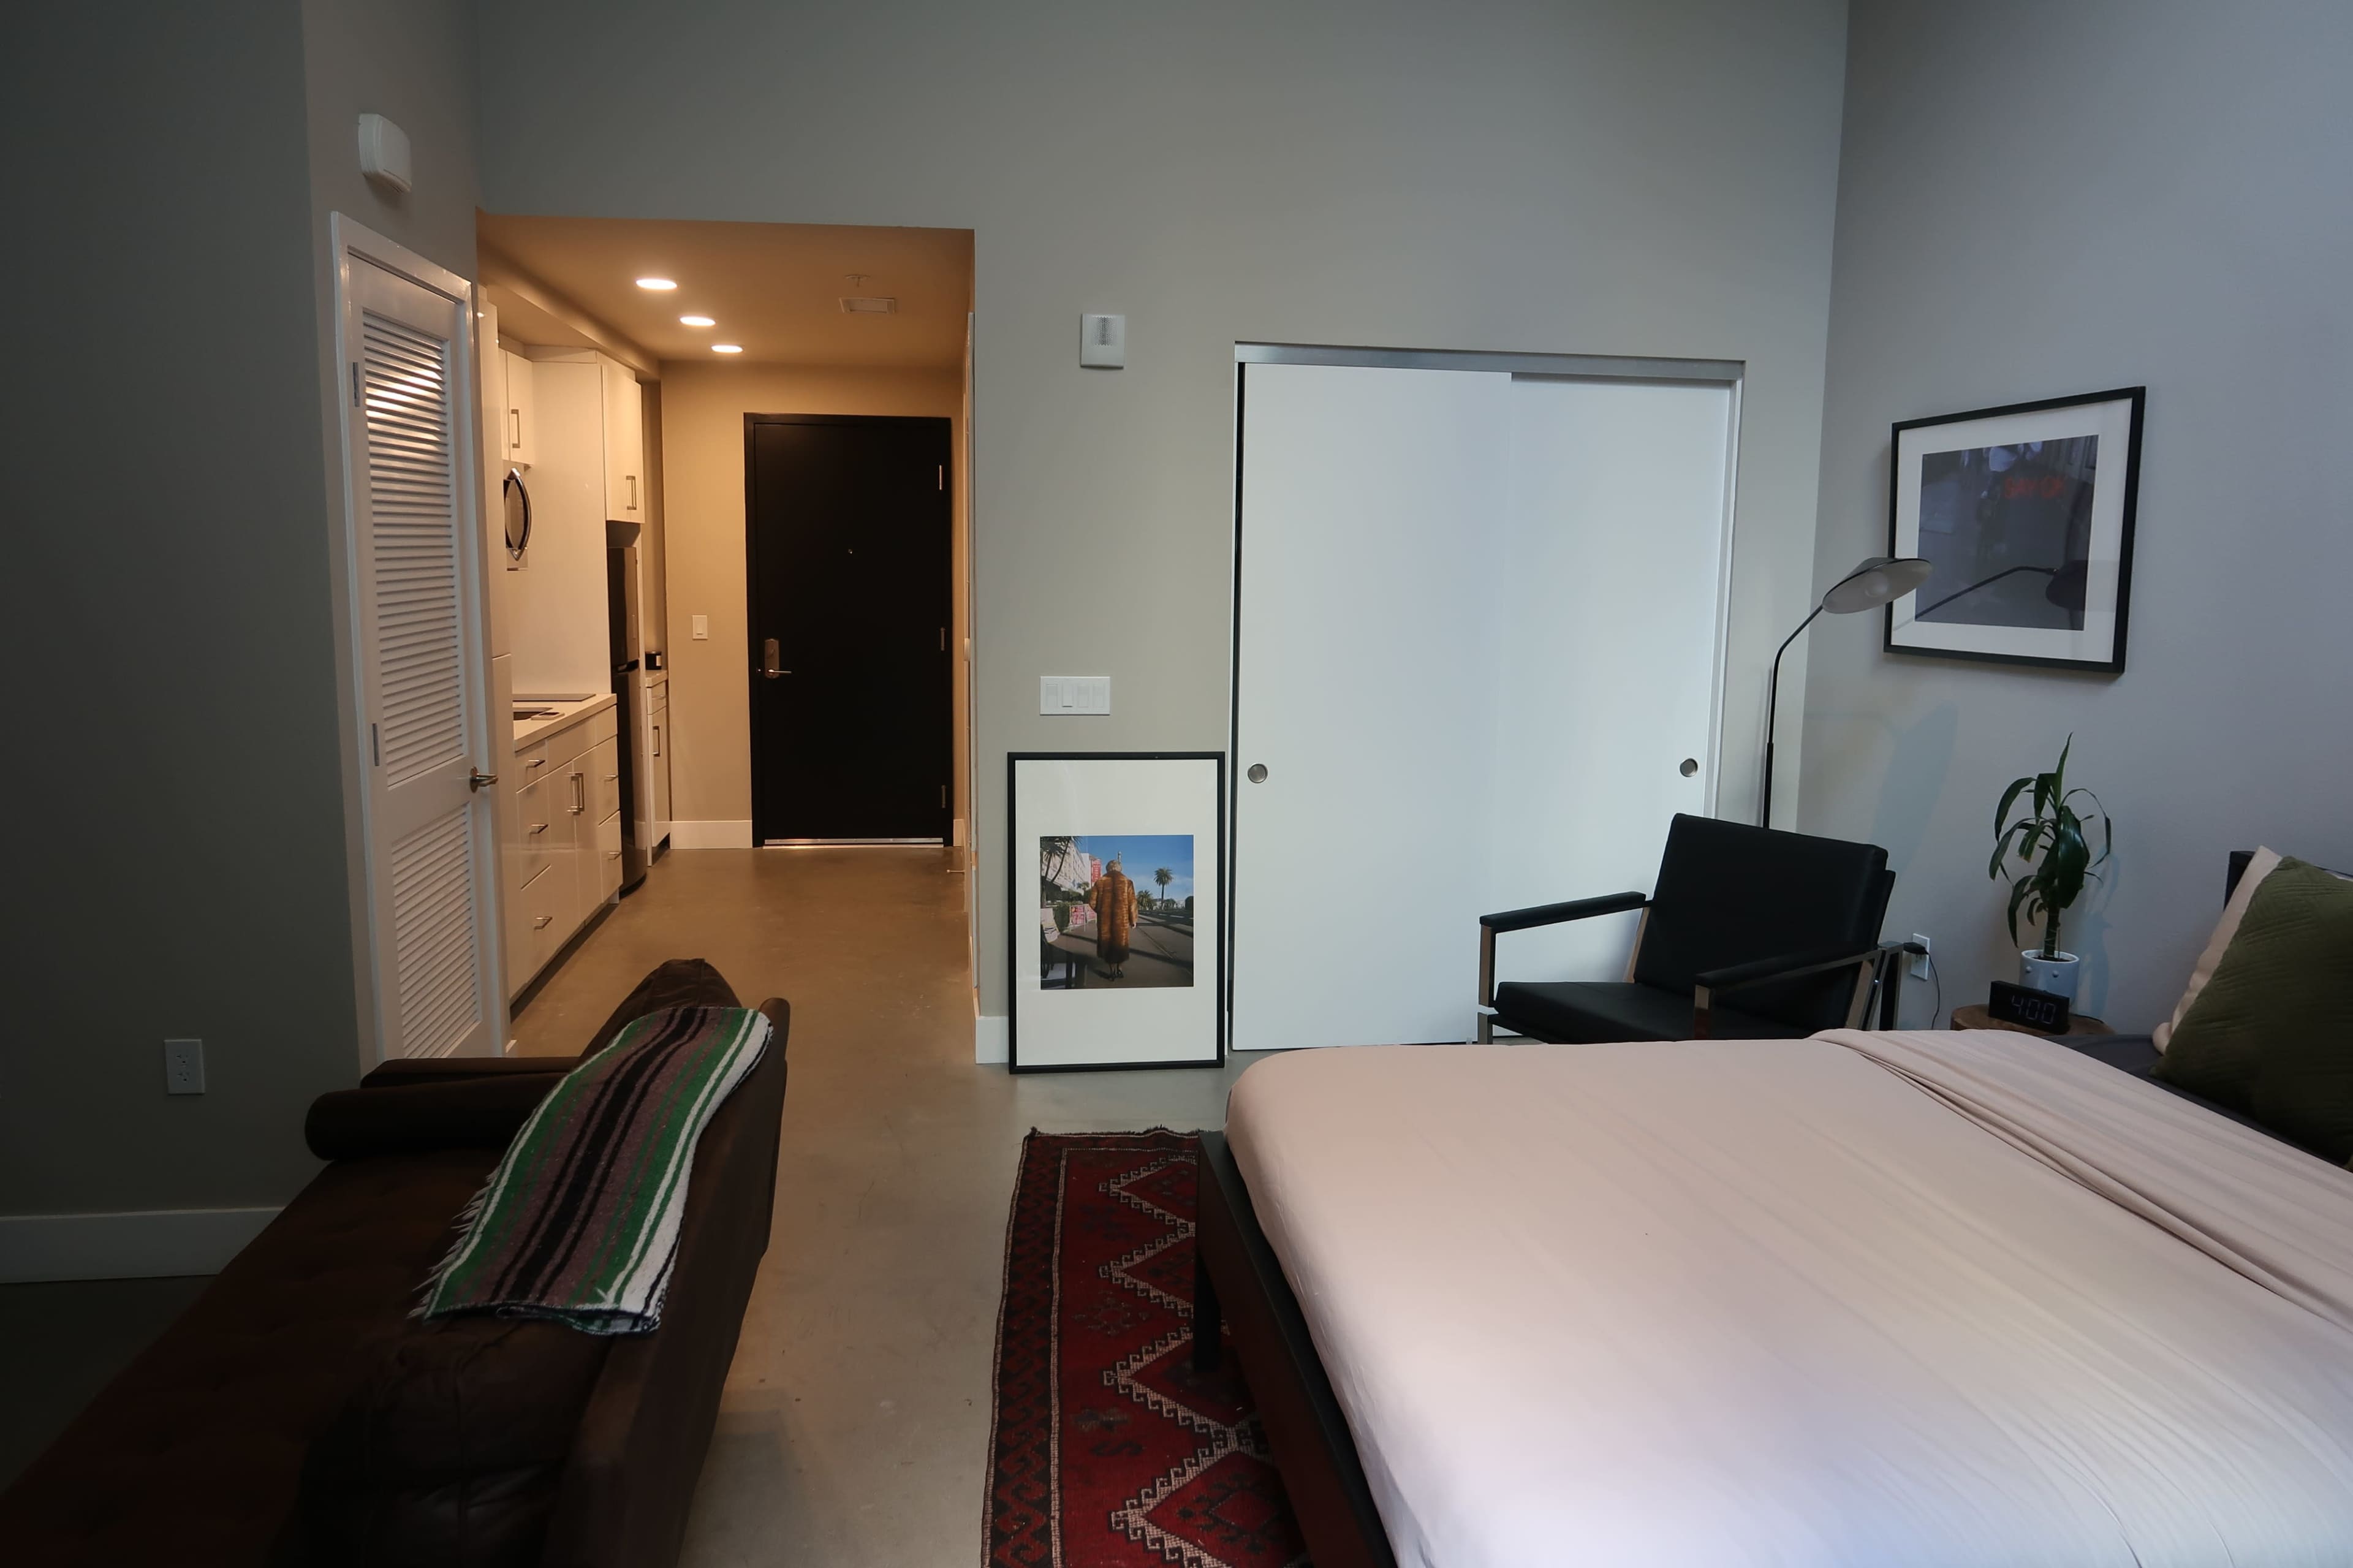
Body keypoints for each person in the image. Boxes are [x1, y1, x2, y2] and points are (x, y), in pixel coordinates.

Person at [1091, 856, 1139, 980]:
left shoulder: (1100, 882)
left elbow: (1092, 902)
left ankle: (1112, 972)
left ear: (1108, 869)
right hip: (1121, 920)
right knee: (1120, 945)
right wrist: (1133, 920)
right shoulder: (1127, 882)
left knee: (1108, 945)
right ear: (1119, 868)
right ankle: (1120, 970)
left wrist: (1101, 911)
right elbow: (1132, 903)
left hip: (1105, 921)